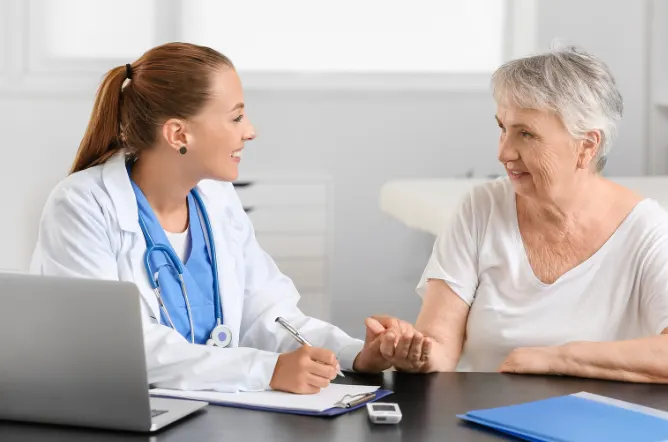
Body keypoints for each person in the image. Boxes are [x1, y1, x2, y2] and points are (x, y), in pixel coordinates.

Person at [29, 42, 405, 394]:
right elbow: (112, 346)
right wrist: (265, 371)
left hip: (212, 412)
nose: (250, 131)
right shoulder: (83, 205)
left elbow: (268, 314)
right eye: (236, 117)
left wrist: (354, 354)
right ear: (179, 133)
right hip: (123, 416)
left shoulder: (215, 199)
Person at [376, 45, 668, 385]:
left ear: (587, 146)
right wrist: (414, 352)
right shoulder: (480, 209)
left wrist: (556, 357)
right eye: (502, 128)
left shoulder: (648, 230)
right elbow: (440, 346)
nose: (503, 152)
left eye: (526, 133)